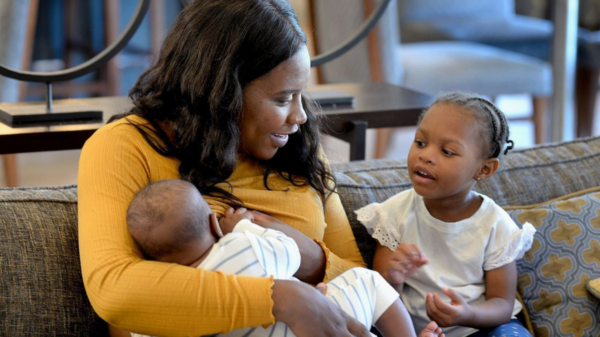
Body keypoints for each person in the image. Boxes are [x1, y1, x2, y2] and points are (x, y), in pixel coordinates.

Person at [78, 0, 415, 336]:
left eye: (300, 94)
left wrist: (312, 258)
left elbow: (359, 280)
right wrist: (279, 298)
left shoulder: (298, 149)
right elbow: (114, 289)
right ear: (221, 92)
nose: (300, 116)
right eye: (283, 99)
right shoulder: (126, 145)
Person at [109, 179, 444, 337]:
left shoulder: (166, 299)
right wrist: (243, 225)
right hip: (315, 330)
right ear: (213, 222)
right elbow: (286, 250)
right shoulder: (243, 246)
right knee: (367, 281)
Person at [355, 92, 536, 337]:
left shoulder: (495, 224)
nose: (426, 156)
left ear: (484, 169)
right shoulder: (394, 214)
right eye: (420, 142)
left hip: (482, 328)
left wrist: (466, 315)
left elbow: (502, 305)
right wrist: (393, 277)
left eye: (447, 151)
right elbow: (381, 300)